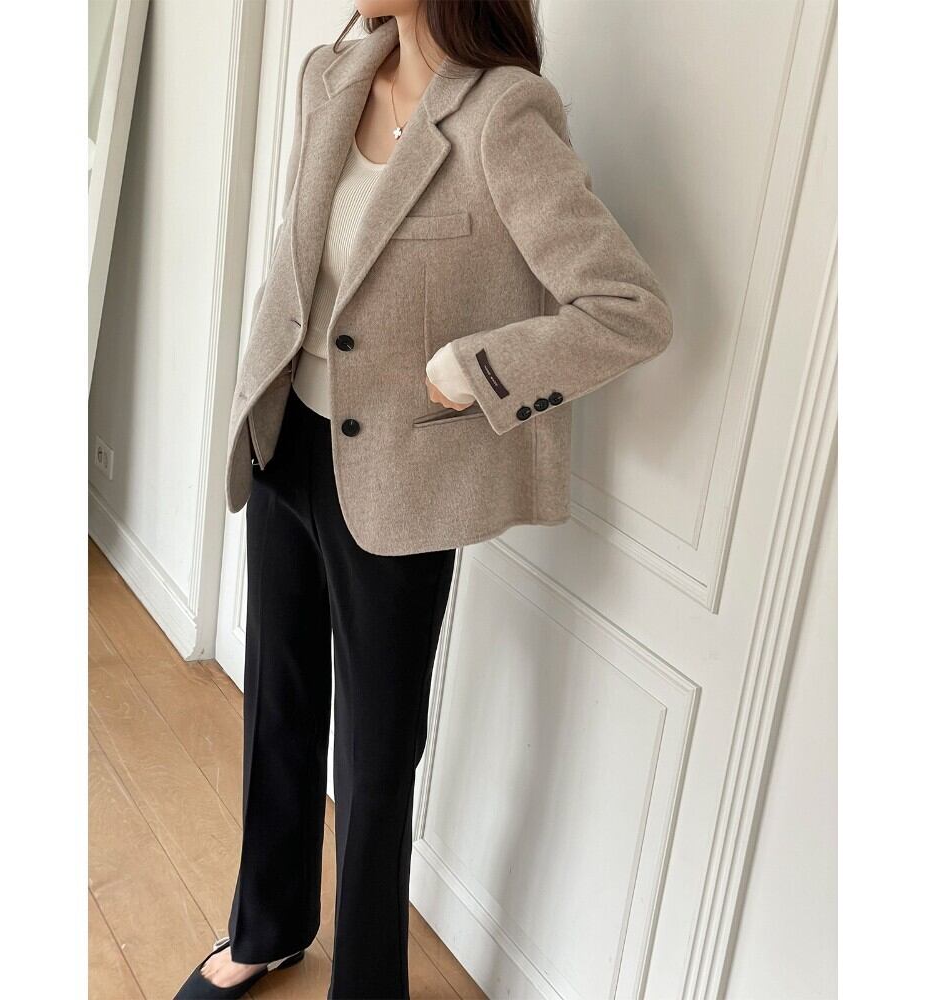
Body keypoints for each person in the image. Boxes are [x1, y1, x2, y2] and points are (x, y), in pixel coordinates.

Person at [175, 1, 672, 997]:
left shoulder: (504, 114)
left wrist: (477, 370)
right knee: (278, 703)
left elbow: (628, 309)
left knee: (375, 754)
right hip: (286, 436)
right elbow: (304, 265)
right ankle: (267, 925)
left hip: (400, 477)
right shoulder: (332, 77)